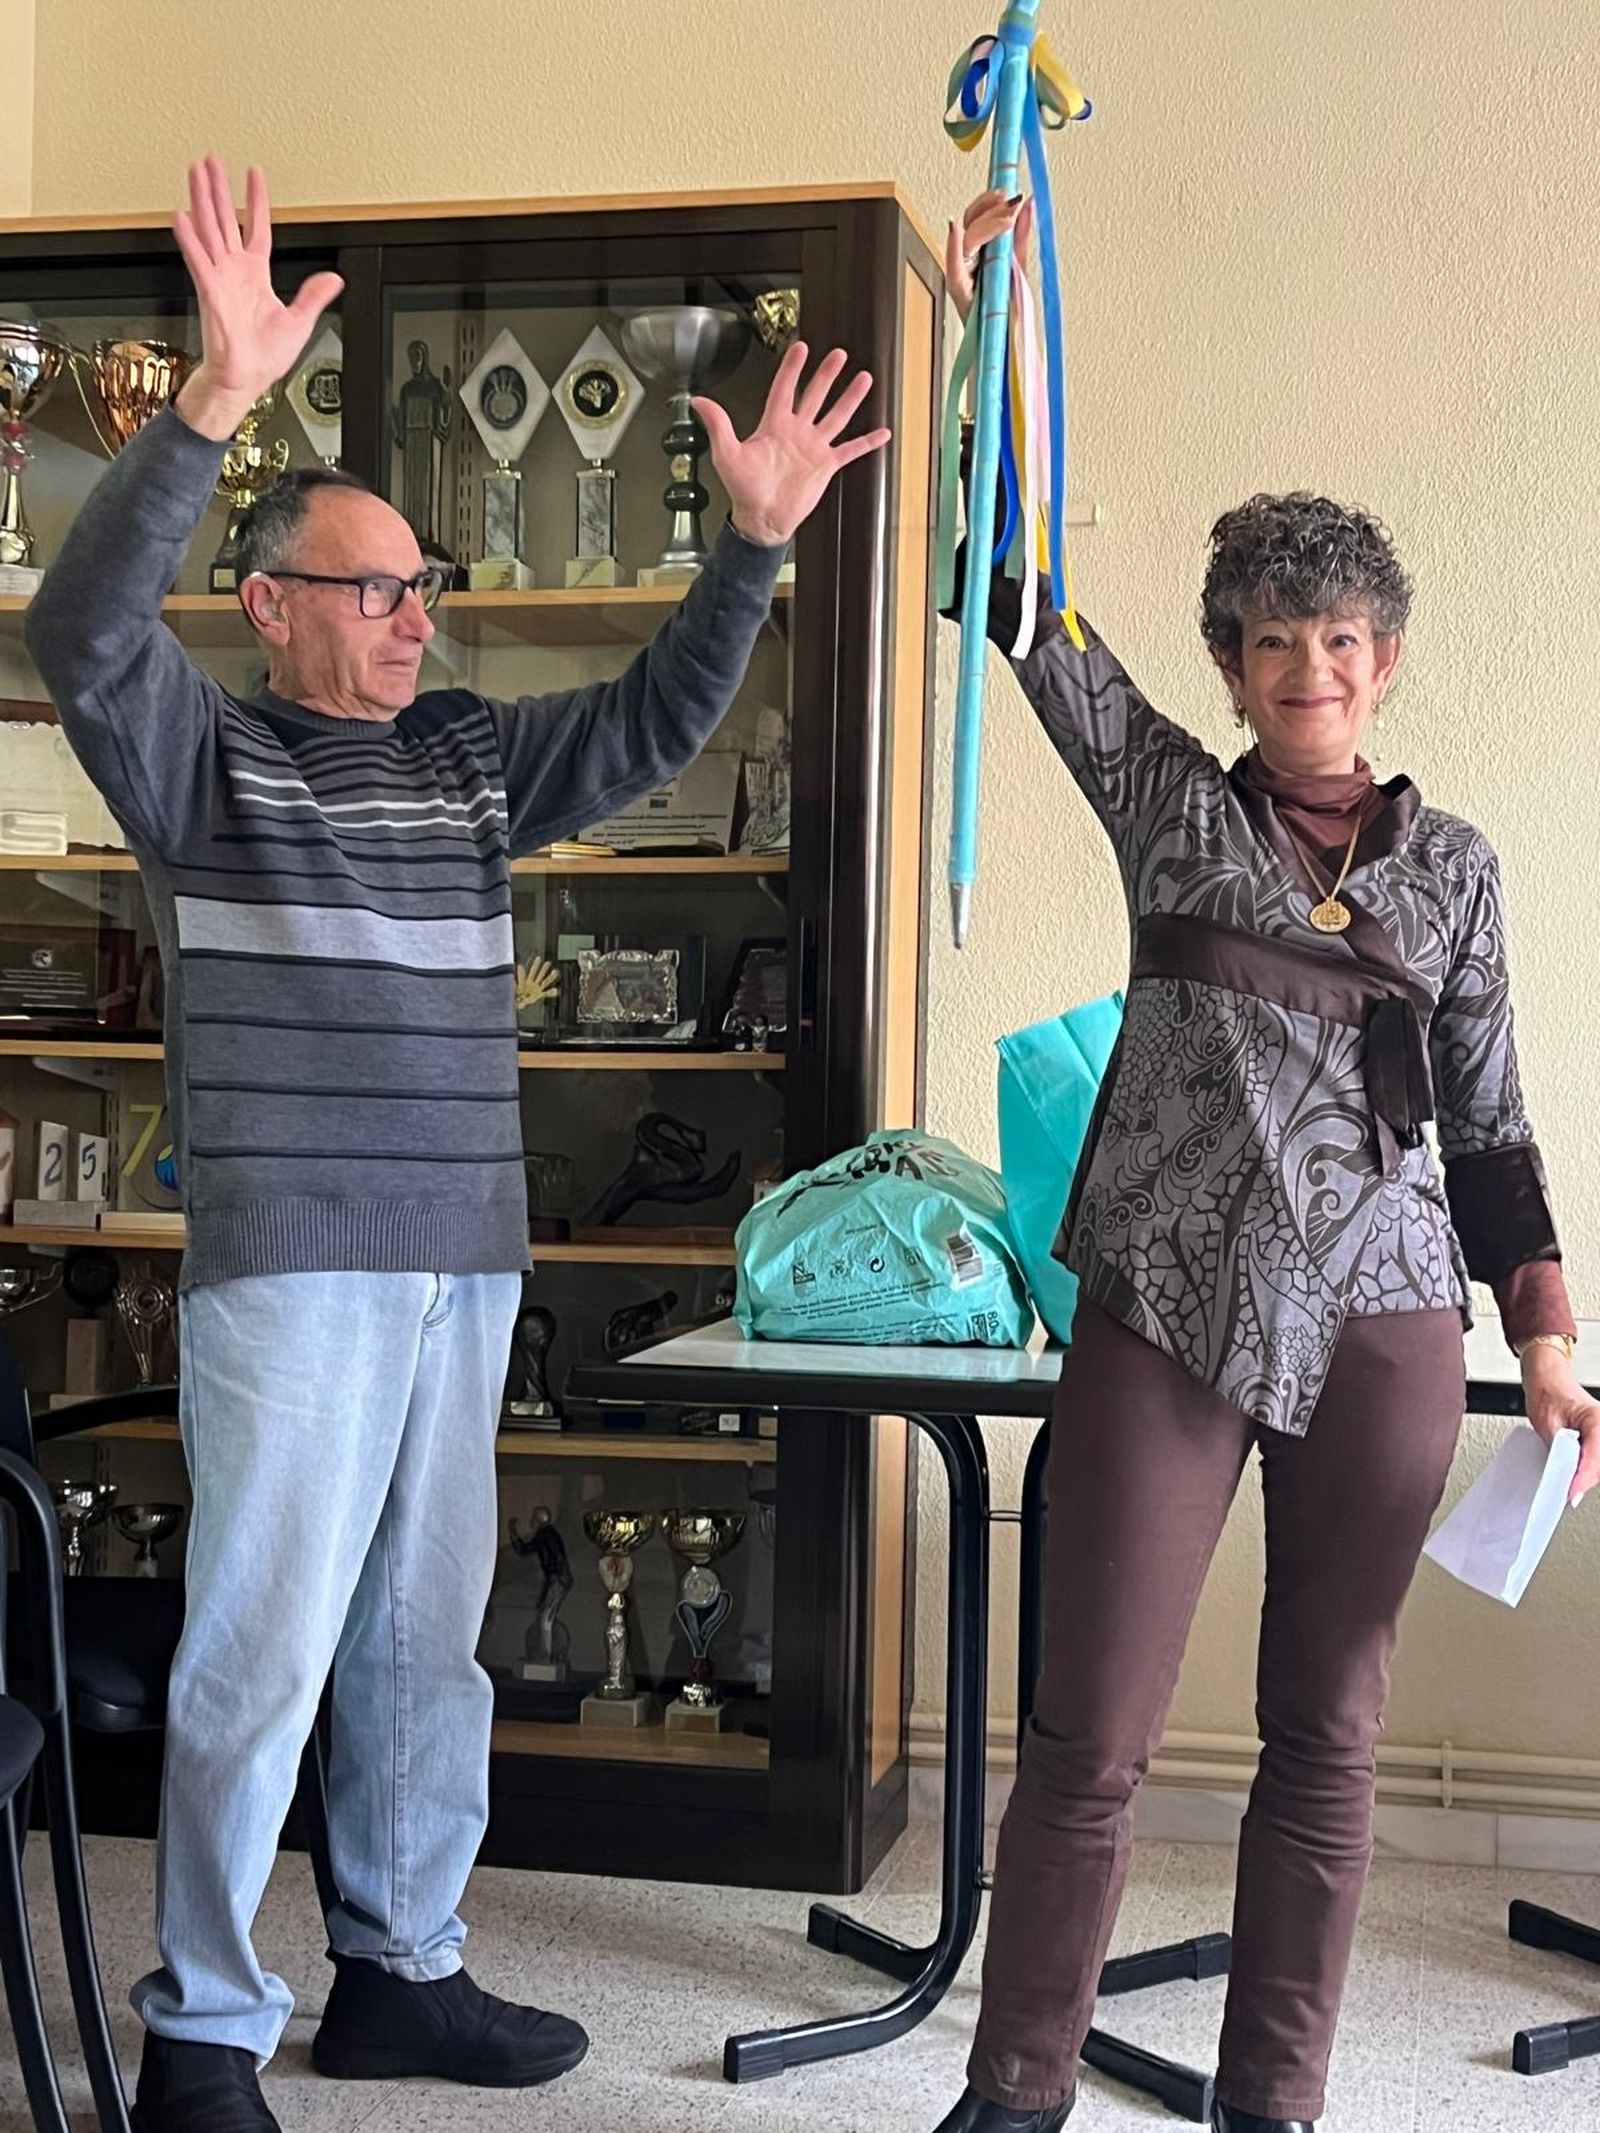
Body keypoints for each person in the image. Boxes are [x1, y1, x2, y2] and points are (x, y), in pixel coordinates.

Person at [26, 155, 888, 2133]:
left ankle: (402, 1971)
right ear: (271, 606)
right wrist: (219, 402)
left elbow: (668, 715)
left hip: (460, 1253)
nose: (423, 614)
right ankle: (204, 2028)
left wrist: (749, 545)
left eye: (430, 585)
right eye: (382, 586)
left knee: (431, 1639)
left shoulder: (468, 753)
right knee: (261, 1646)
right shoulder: (198, 759)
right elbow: (80, 628)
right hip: (300, 1260)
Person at [931, 190, 1600, 2133]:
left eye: (1338, 633)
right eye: (1269, 635)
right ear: (1227, 662)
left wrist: (1543, 1339)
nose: (1305, 661)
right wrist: (986, 349)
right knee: (1086, 1736)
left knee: (1325, 1740)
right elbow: (1006, 591)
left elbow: (1488, 1116)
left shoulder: (1453, 865)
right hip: (1163, 1294)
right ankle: (1013, 2092)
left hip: (1391, 1316)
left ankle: (1269, 2107)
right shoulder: (1161, 801)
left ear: (1381, 659)